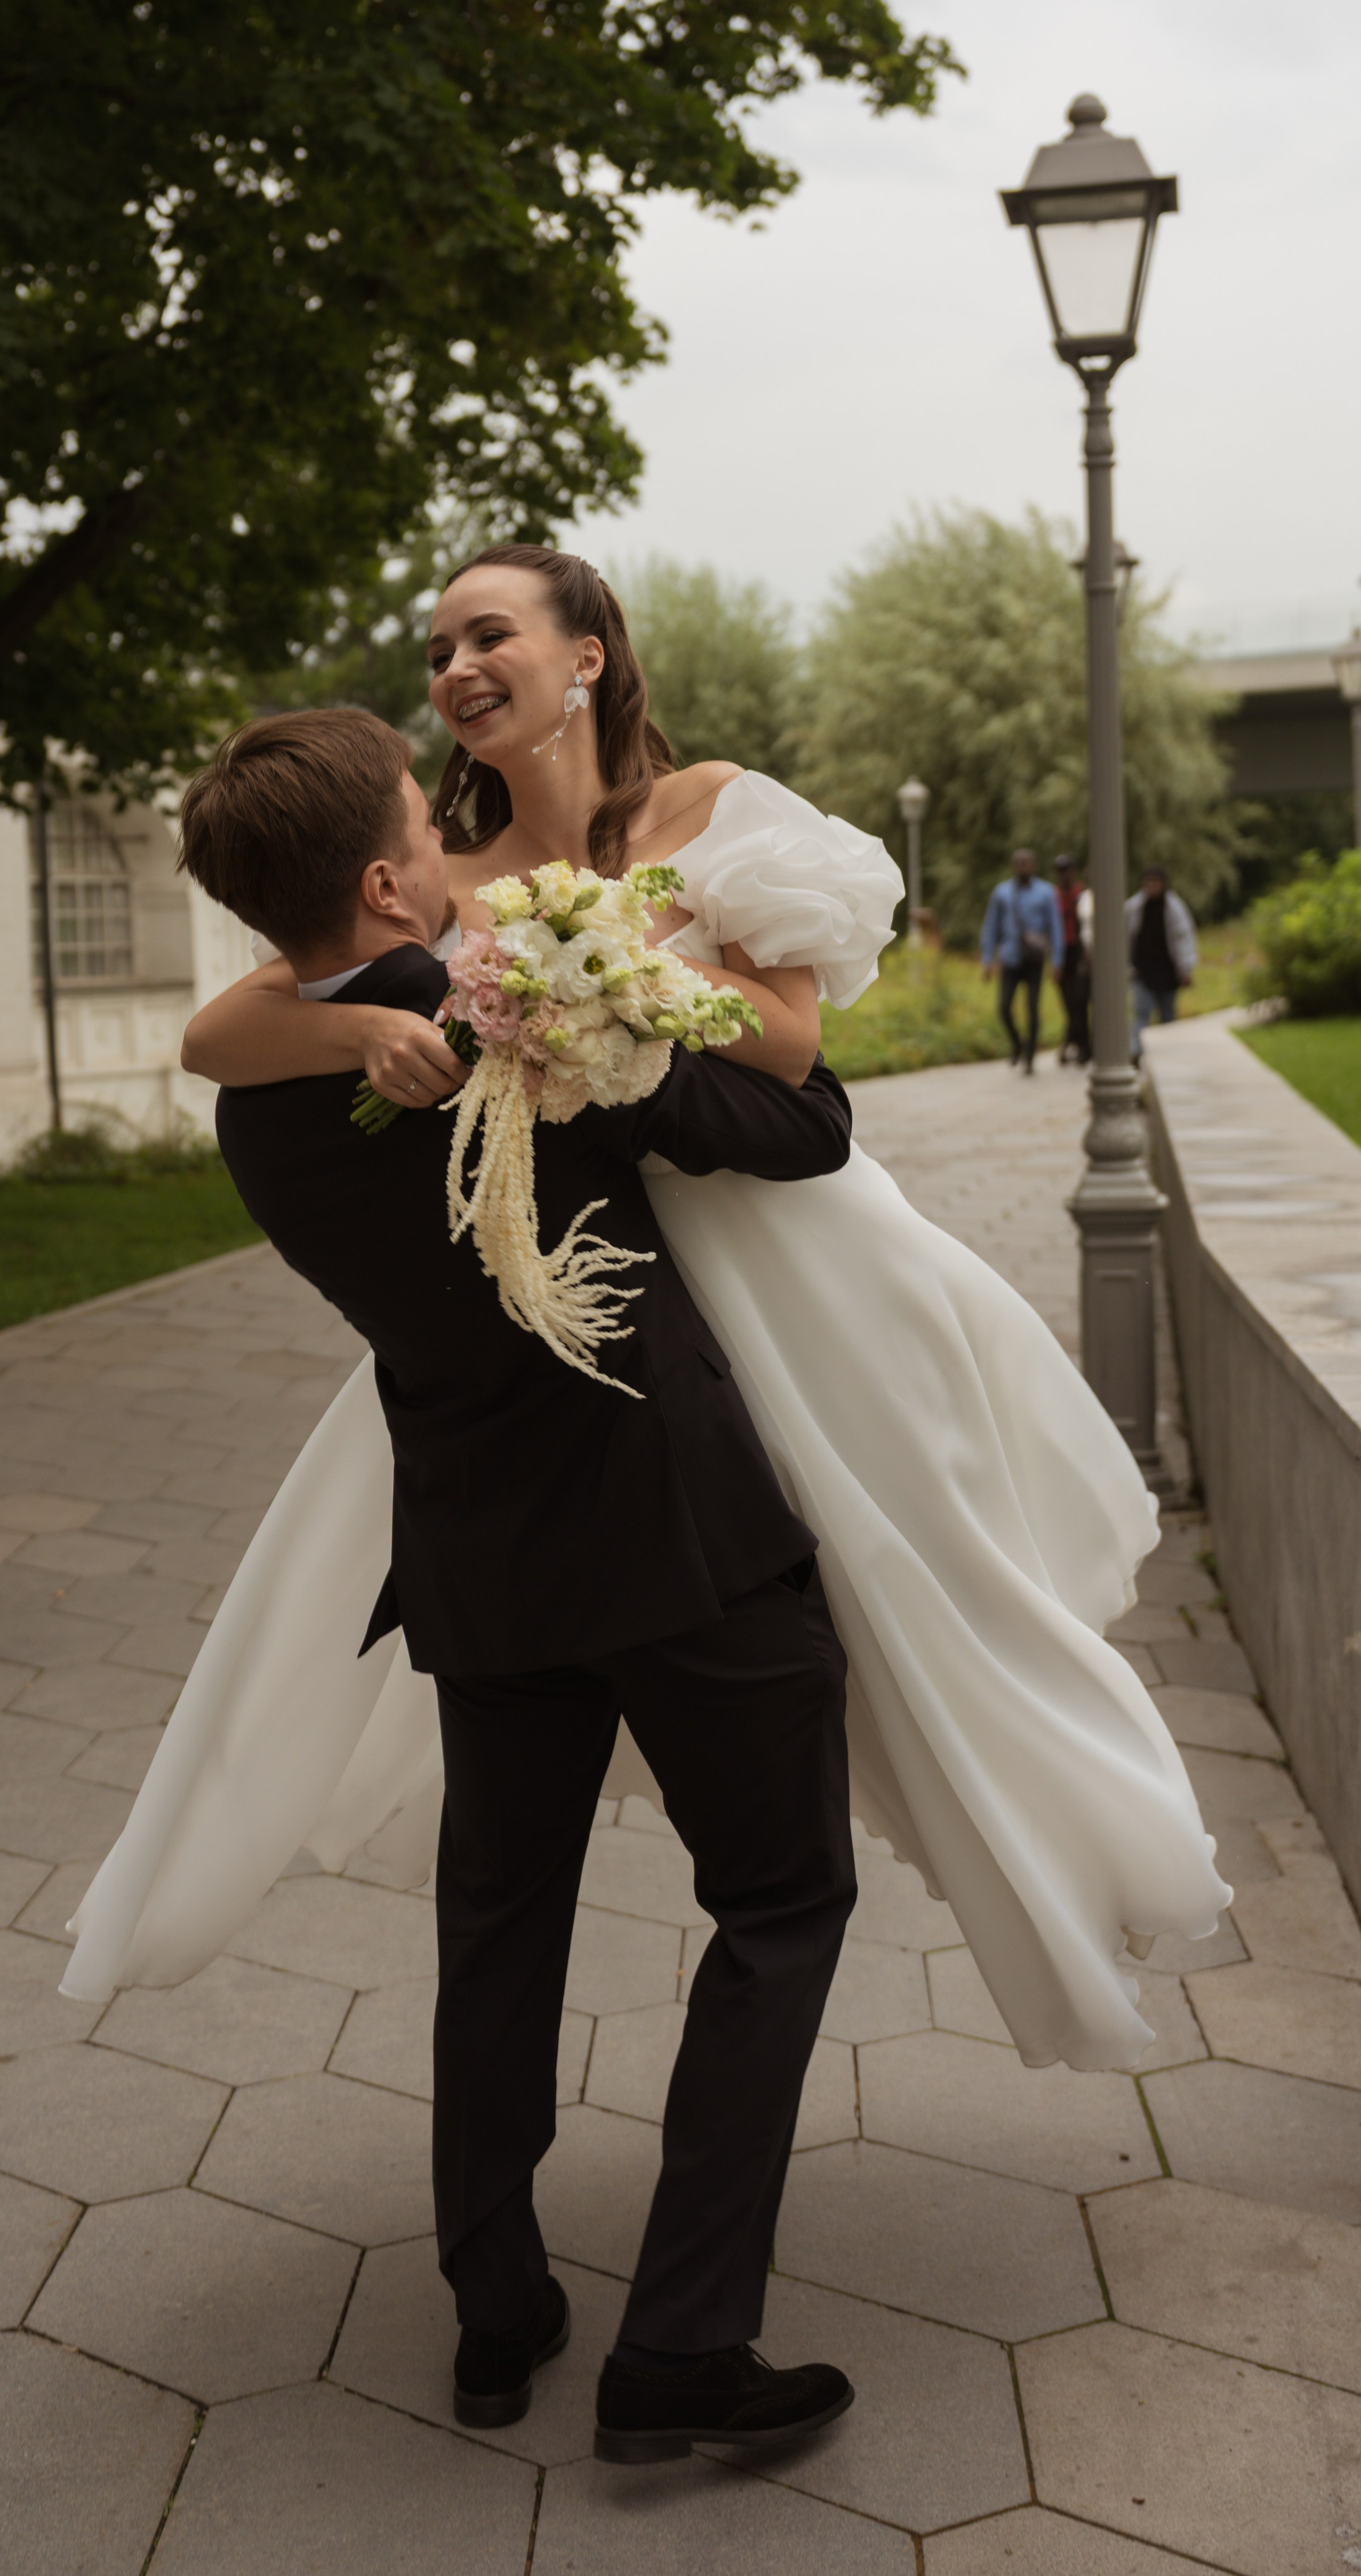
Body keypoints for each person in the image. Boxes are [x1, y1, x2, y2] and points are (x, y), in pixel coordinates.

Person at [66, 543, 1229, 2112]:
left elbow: (795, 1047)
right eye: (435, 648)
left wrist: (605, 979)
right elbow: (225, 1028)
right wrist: (363, 1021)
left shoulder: (713, 816)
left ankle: (1067, 1843)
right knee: (656, 1642)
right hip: (586, 1307)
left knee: (919, 1595)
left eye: (487, 633)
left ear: (587, 653)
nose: (454, 668)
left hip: (784, 1247)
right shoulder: (436, 873)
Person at [156, 704, 860, 2454]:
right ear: (391, 877)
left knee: (500, 1930)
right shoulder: (498, 1025)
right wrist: (686, 1010)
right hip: (678, 1538)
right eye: (429, 831)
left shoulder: (270, 1102)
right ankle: (683, 2346)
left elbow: (241, 1028)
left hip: (482, 1561)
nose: (466, 858)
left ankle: (498, 2312)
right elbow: (804, 1130)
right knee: (780, 1904)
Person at [980, 846, 1063, 1073]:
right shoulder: (1002, 893)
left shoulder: (1047, 892)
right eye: (1019, 863)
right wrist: (988, 959)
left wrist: (1057, 961)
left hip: (1034, 960)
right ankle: (1018, 1044)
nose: (1023, 867)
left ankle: (1030, 1058)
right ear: (1013, 866)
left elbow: (1056, 928)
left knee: (1033, 1008)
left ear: (1034, 865)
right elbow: (991, 927)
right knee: (1004, 1007)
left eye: (1027, 863)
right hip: (1010, 958)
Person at [1127, 866, 1199, 1061]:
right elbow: (1126, 937)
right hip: (1142, 971)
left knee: (1168, 1015)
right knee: (1141, 1013)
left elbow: (1184, 938)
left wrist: (1186, 968)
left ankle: (1170, 1053)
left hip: (1167, 972)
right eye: (1148, 883)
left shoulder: (1175, 908)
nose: (1152, 887)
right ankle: (1136, 1052)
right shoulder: (1135, 907)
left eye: (1156, 883)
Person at [1051, 853, 1090, 1065]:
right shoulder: (1053, 896)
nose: (1065, 875)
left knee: (1080, 1000)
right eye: (1061, 870)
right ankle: (1075, 1043)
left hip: (1080, 951)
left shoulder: (1082, 894)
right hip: (1061, 952)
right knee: (1068, 1003)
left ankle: (1082, 1046)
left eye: (1068, 870)